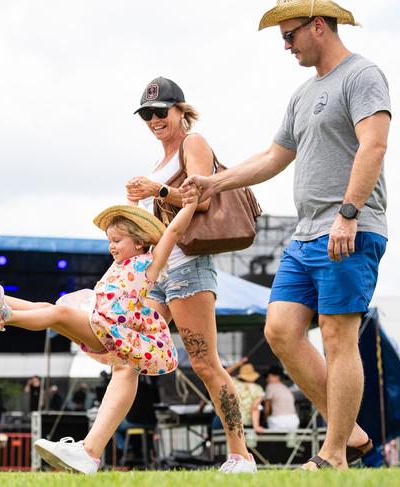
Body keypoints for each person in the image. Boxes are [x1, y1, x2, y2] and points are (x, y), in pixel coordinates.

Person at [181, 0, 390, 470]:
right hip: (306, 234)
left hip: (349, 228)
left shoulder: (363, 76)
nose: (285, 45)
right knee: (279, 329)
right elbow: (275, 157)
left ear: (319, 26)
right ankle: (351, 433)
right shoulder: (301, 94)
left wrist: (349, 213)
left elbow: (374, 144)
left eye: (290, 35)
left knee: (339, 336)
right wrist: (215, 181)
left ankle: (334, 454)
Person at [0, 201, 199, 474]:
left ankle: (4, 317)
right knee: (47, 308)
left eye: (117, 240)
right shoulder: (119, 264)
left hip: (109, 330)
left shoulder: (148, 265)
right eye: (109, 240)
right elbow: (133, 220)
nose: (111, 246)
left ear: (139, 242)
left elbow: (171, 233)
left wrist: (190, 206)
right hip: (95, 320)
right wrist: (131, 202)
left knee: (57, 313)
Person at [125, 76, 256, 473]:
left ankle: (241, 454)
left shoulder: (193, 144)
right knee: (128, 353)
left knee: (204, 363)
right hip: (163, 270)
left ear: (181, 111)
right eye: (147, 114)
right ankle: (91, 451)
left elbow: (200, 201)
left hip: (190, 266)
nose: (153, 119)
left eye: (160, 111)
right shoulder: (159, 162)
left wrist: (156, 190)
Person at [256, 365, 299, 432]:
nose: (267, 380)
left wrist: (264, 420)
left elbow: (267, 409)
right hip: (294, 420)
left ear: (274, 376)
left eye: (268, 377)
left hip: (278, 421)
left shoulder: (270, 386)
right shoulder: (286, 388)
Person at [230, 364, 265, 432]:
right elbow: (255, 408)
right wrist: (256, 427)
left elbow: (221, 375)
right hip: (245, 424)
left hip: (229, 422)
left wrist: (239, 362)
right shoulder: (258, 389)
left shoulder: (233, 383)